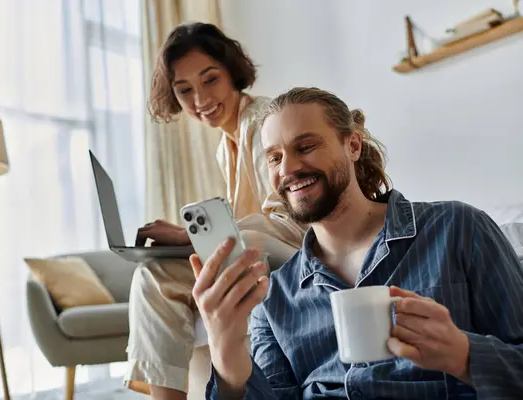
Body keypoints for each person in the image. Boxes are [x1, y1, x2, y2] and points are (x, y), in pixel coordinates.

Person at [192, 86, 523, 399]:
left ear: (353, 146)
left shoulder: (458, 229)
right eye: (275, 158)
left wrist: (463, 355)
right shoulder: (275, 296)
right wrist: (227, 352)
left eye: (305, 147)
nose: (289, 168)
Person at [124, 23, 306, 399]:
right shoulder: (226, 146)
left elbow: (289, 224)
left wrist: (190, 235)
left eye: (210, 80)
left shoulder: (262, 121)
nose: (200, 99)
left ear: (232, 73)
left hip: (295, 255)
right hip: (257, 253)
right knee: (157, 277)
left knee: (155, 273)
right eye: (184, 89)